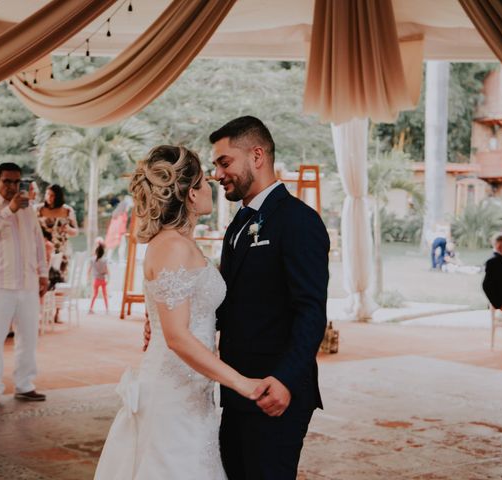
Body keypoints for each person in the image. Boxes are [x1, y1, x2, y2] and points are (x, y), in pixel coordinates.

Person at [145, 116, 330, 478]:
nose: (216, 173)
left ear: (257, 156)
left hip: (274, 393)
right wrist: (168, 314)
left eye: (224, 162)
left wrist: (287, 379)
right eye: (214, 165)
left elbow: (311, 311)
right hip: (235, 390)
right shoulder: (238, 224)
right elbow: (228, 302)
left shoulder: (298, 221)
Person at [94, 145, 263, 479]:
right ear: (189, 193)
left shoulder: (180, 243)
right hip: (173, 392)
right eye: (203, 179)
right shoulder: (172, 245)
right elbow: (177, 337)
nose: (212, 182)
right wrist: (242, 383)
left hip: (192, 391)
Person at [0, 163, 49, 408]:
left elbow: (38, 242)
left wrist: (43, 273)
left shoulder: (28, 210)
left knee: (28, 338)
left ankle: (25, 385)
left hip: (27, 284)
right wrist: (10, 210)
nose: (12, 186)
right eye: (7, 181)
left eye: (16, 182)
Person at [36, 184, 78, 288]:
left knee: (58, 282)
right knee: (41, 282)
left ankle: (58, 304)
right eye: (47, 194)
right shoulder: (38, 209)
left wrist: (68, 229)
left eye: (52, 195)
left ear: (58, 196)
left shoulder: (67, 210)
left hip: (61, 252)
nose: (49, 198)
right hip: (43, 252)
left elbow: (76, 232)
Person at [88, 240, 109, 314]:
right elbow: (107, 271)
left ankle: (91, 308)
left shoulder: (92, 260)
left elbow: (89, 270)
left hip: (96, 280)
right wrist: (108, 278)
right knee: (105, 295)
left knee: (94, 295)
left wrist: (88, 278)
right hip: (103, 280)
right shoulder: (105, 260)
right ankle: (107, 309)